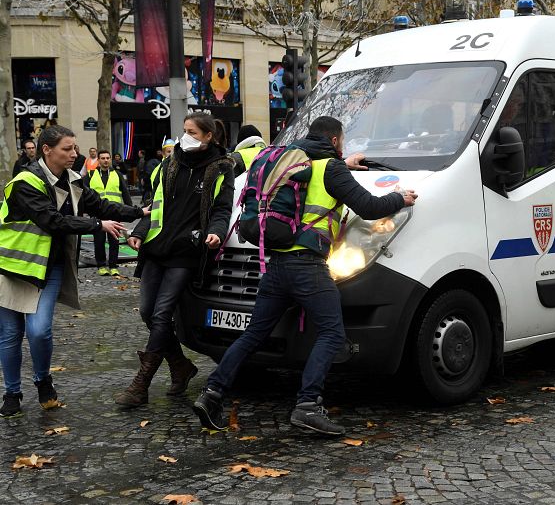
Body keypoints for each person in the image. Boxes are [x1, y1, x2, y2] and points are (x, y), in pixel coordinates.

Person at [193, 116, 417, 435]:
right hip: (308, 267)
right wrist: (401, 199)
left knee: (254, 335)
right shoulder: (331, 169)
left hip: (275, 264)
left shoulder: (288, 162)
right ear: (336, 141)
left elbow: (316, 184)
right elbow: (367, 206)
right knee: (332, 333)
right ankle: (308, 406)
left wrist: (346, 165)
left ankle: (212, 393)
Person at [0, 126, 147, 417]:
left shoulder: (74, 180)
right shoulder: (24, 182)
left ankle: (43, 381)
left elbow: (99, 204)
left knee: (39, 331)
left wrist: (138, 213)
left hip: (48, 267)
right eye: (67, 148)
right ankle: (12, 392)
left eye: (75, 148)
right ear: (47, 150)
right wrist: (96, 225)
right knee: (9, 334)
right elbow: (51, 220)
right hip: (11, 267)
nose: (74, 154)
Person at [117, 112, 234, 408]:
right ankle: (181, 365)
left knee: (161, 313)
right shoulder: (170, 164)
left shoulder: (221, 168)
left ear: (208, 136)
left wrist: (216, 233)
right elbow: (154, 204)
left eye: (192, 132)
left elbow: (222, 209)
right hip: (157, 248)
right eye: (184, 131)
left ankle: (140, 384)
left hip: (187, 251)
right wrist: (140, 232)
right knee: (147, 311)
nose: (185, 137)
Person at [84, 149, 134, 276]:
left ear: (110, 159)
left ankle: (113, 265)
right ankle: (101, 265)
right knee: (99, 240)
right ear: (98, 160)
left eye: (108, 158)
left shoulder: (117, 174)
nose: (106, 160)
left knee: (114, 240)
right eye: (103, 158)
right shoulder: (90, 175)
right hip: (98, 213)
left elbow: (125, 193)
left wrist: (131, 211)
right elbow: (83, 194)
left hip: (114, 212)